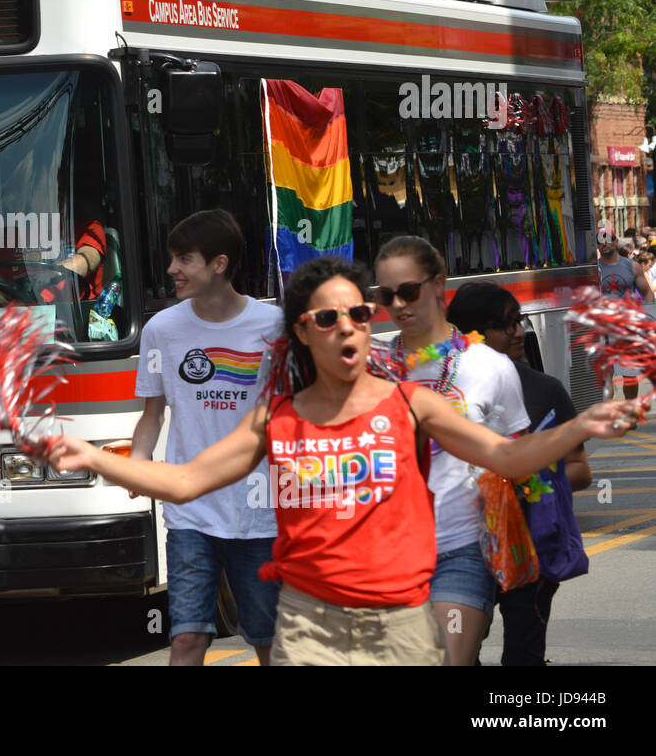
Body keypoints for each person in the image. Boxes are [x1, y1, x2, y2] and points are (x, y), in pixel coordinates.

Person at [47, 256, 639, 665]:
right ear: (304, 332)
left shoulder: (412, 403)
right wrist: (93, 457)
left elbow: (508, 459)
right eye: (328, 318)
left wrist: (583, 425)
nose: (348, 327)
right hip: (310, 626)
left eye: (358, 314)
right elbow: (182, 483)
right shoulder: (277, 419)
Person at [130, 209, 281, 665]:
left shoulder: (272, 326)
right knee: (187, 638)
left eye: (184, 259)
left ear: (218, 264)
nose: (172, 269)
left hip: (260, 512)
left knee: (267, 638)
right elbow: (152, 414)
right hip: (189, 510)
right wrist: (138, 463)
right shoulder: (161, 330)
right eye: (173, 259)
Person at [373, 235, 528, 666]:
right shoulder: (371, 371)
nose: (399, 304)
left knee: (446, 655)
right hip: (385, 555)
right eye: (387, 295)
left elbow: (520, 456)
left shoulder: (491, 367)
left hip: (461, 549)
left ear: (438, 284)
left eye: (410, 291)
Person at [447, 283, 590, 666]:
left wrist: (527, 476)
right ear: (470, 334)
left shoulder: (546, 390)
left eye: (518, 321)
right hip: (461, 547)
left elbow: (579, 470)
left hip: (530, 543)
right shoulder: (441, 391)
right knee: (458, 651)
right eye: (504, 325)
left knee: (524, 653)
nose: (518, 333)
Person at [597, 224, 643, 399]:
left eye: (608, 239)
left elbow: (646, 291)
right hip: (604, 327)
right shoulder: (594, 270)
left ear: (615, 241)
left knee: (630, 374)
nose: (605, 243)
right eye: (600, 241)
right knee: (606, 375)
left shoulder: (632, 266)